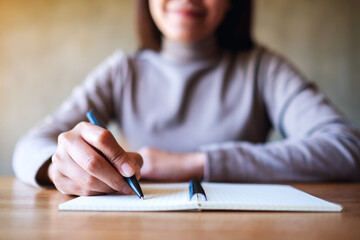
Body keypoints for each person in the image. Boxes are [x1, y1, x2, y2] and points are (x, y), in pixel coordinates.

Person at [13, 0, 360, 196]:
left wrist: (194, 163)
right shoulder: (123, 71)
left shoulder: (262, 68)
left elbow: (346, 148)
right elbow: (30, 147)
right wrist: (59, 167)